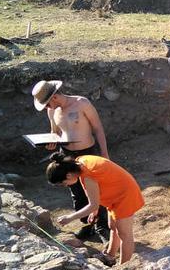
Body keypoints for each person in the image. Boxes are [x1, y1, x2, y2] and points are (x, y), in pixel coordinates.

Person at [31, 79, 110, 241]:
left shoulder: (82, 103)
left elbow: (98, 129)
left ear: (54, 97)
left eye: (47, 104)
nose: (47, 108)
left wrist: (104, 154)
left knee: (96, 190)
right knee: (76, 192)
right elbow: (55, 132)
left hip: (88, 152)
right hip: (66, 153)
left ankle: (102, 226)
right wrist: (51, 141)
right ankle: (86, 226)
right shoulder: (51, 111)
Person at [45, 153, 144, 265]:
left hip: (125, 195)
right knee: (113, 226)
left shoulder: (88, 176)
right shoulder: (80, 162)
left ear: (68, 175)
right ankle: (109, 256)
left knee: (124, 234)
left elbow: (93, 204)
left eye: (63, 183)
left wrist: (70, 217)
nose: (66, 185)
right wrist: (94, 211)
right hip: (116, 194)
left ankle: (125, 267)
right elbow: (92, 197)